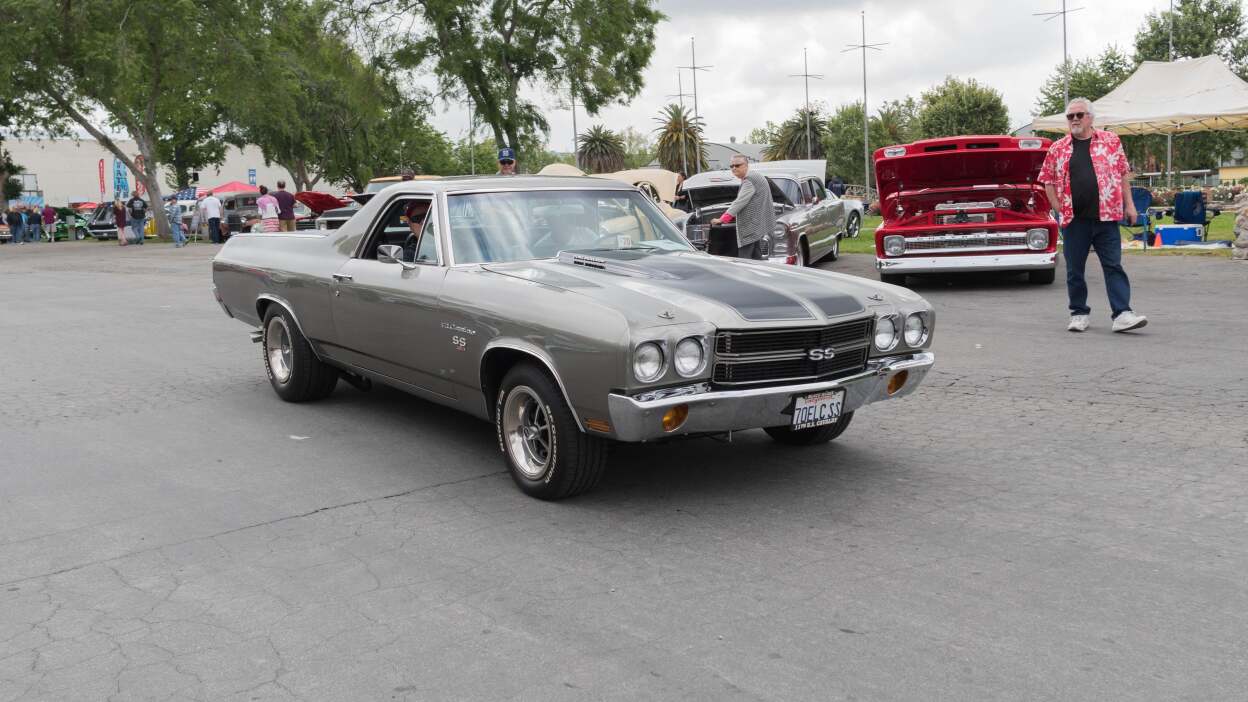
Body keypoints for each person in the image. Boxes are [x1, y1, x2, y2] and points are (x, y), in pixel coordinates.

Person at [1038, 97, 1147, 333]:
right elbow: (1047, 181)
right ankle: (1078, 313)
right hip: (1074, 220)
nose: (1075, 119)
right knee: (1074, 269)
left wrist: (1130, 206)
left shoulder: (1110, 141)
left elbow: (1122, 175)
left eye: (1079, 115)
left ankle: (1122, 314)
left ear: (1090, 117)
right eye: (1070, 116)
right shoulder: (1058, 148)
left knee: (1113, 265)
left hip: (1106, 217)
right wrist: (1058, 208)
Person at [710, 155, 773, 259]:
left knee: (744, 262)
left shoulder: (749, 180)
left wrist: (722, 219)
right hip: (756, 225)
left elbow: (739, 202)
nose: (734, 168)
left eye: (738, 165)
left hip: (749, 227)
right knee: (756, 259)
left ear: (746, 165)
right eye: (732, 166)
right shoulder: (755, 176)